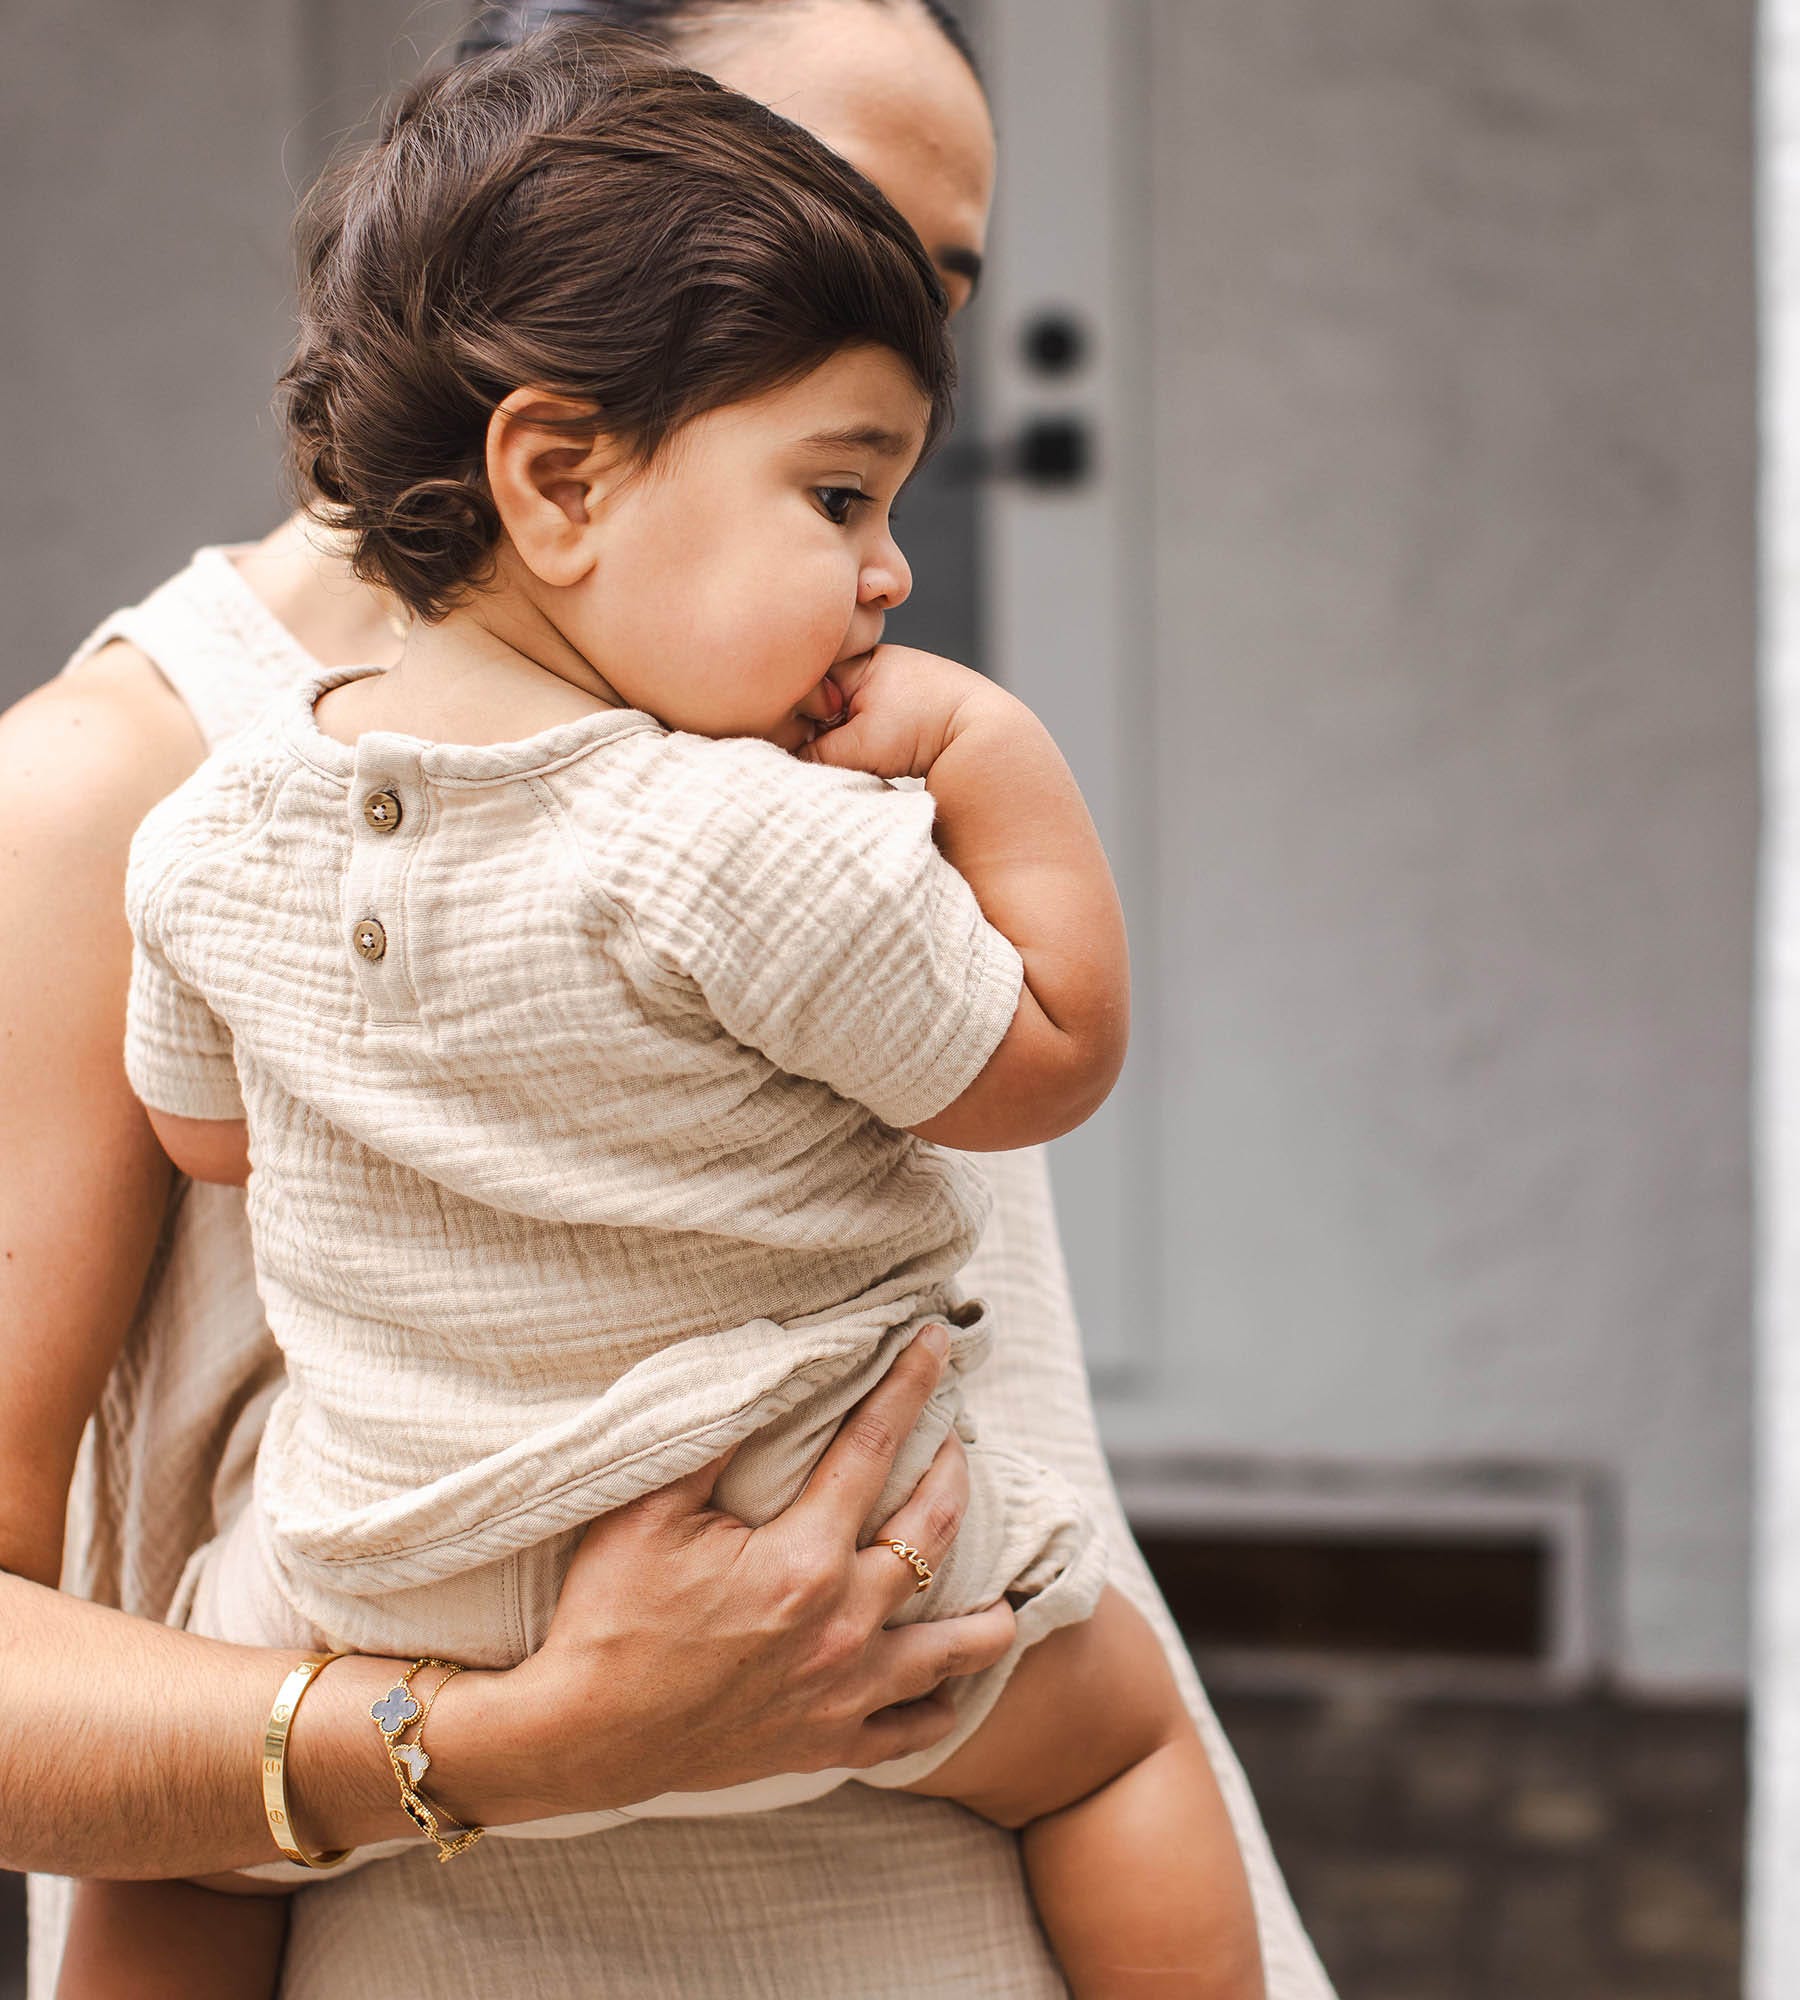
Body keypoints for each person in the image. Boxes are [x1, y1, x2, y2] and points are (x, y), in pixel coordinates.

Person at [2, 3, 1334, 1995]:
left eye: (923, 291)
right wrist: (525, 1740)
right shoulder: (113, 791)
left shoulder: (768, 734)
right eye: (791, 217)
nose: (854, 300)